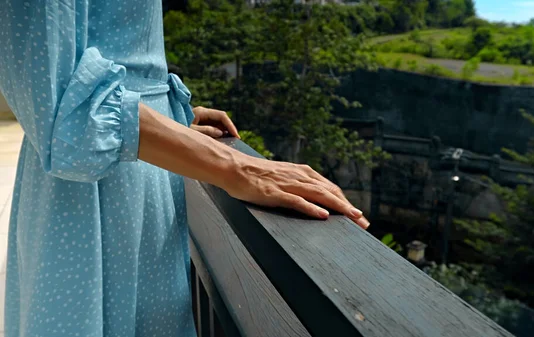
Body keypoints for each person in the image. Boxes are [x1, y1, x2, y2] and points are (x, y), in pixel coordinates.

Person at [0, 0, 369, 336]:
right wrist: (238, 166)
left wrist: (168, 115)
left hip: (138, 175)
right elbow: (60, 101)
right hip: (94, 194)